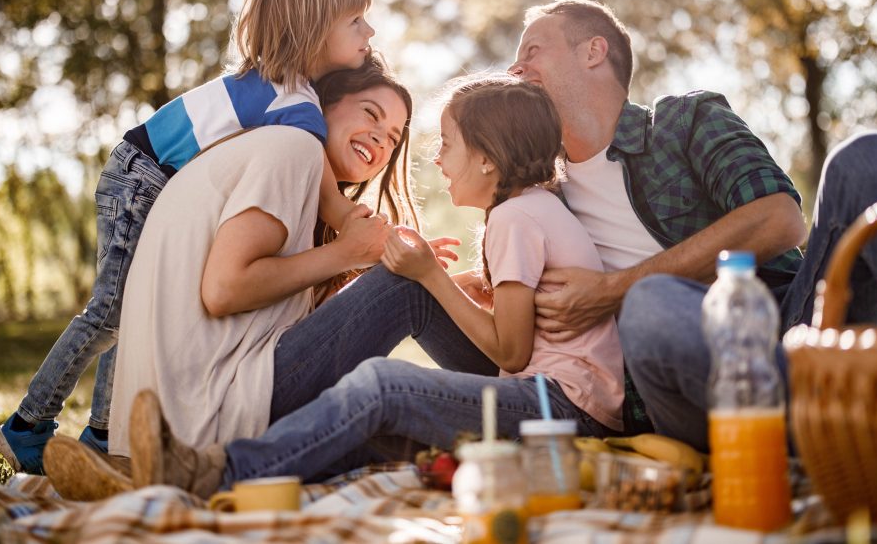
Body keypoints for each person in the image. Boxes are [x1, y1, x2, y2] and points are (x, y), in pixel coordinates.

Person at [45, 74, 631, 498]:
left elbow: (512, 351)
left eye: (446, 144)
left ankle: (213, 473)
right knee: (374, 407)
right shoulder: (527, 211)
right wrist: (449, 283)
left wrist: (430, 275)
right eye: (374, 117)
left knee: (383, 384)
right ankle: (149, 477)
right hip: (552, 399)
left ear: (486, 158)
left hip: (561, 410)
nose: (434, 157)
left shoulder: (517, 218)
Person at [506, 0, 877, 451]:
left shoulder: (684, 121)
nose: (515, 68)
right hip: (693, 377)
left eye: (532, 51)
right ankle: (826, 432)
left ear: (592, 52)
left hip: (797, 322)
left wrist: (612, 290)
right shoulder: (540, 198)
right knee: (652, 304)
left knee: (866, 159)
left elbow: (779, 220)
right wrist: (470, 284)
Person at [0, 0, 381, 475]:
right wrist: (363, 233)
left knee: (132, 312)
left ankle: (104, 433)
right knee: (110, 312)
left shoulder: (283, 91)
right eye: (355, 20)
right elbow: (328, 194)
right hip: (141, 173)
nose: (370, 30)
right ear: (312, 26)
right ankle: (29, 424)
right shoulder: (292, 102)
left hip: (148, 173)